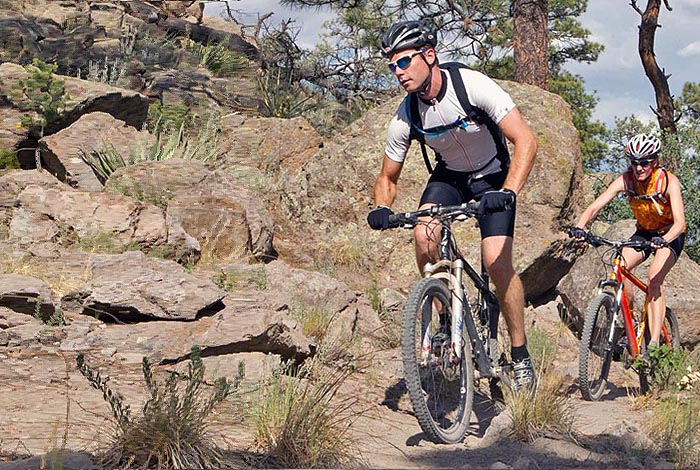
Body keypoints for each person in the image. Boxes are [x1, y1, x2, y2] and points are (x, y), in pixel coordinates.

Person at [366, 19, 538, 391]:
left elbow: (525, 140)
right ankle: (444, 322)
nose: (398, 72)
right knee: (424, 235)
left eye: (404, 62)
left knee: (496, 261)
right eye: (392, 65)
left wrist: (508, 191)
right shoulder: (406, 115)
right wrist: (381, 206)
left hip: (494, 176)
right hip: (451, 177)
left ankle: (521, 355)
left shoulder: (471, 86)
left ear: (429, 55)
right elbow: (387, 178)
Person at [570, 133, 686, 354]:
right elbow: (597, 205)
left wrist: (665, 240)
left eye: (644, 162)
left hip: (669, 234)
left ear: (654, 161)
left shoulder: (667, 181)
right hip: (644, 233)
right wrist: (580, 226)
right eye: (634, 162)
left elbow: (680, 223)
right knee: (619, 265)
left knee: (654, 278)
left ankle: (653, 347)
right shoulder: (626, 180)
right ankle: (631, 325)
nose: (639, 167)